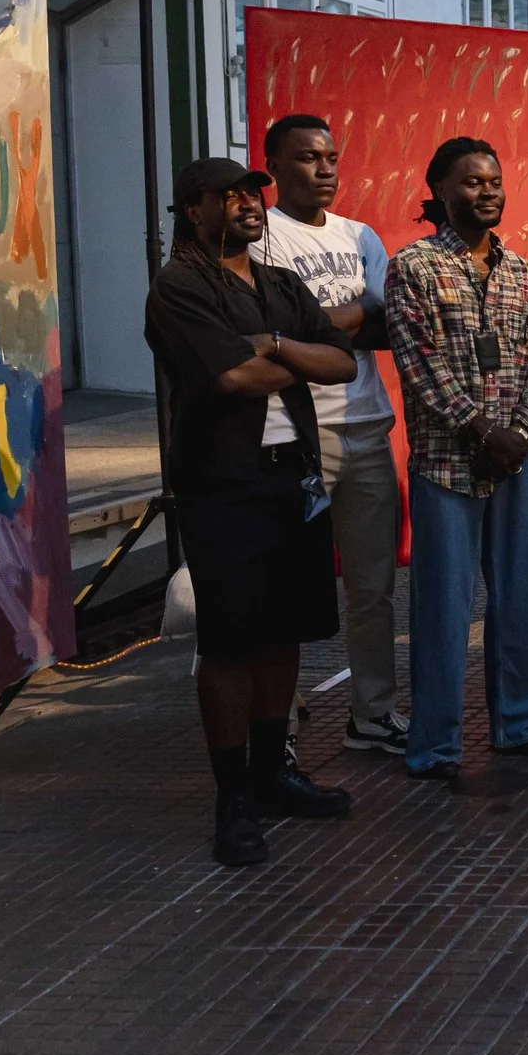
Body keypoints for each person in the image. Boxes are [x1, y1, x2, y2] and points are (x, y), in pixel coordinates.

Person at [143, 158, 358, 867]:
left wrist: (276, 346)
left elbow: (346, 361)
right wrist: (292, 355)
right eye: (229, 196)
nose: (247, 204)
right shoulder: (178, 289)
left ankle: (273, 773)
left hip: (292, 476)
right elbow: (233, 376)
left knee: (286, 627)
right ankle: (232, 795)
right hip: (222, 482)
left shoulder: (277, 283)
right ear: (192, 209)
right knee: (231, 639)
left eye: (252, 194)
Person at [384, 137, 528, 780]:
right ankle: (436, 743)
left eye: (493, 181)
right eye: (470, 182)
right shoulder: (413, 267)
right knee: (440, 610)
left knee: (524, 598)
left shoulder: (523, 274)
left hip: (516, 461)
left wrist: (520, 432)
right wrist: (483, 429)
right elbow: (419, 366)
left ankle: (527, 723)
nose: (485, 191)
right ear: (438, 190)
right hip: (446, 467)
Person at [258, 114, 407, 758]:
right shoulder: (261, 237)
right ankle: (278, 722)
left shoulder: (360, 234)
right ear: (273, 168)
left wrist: (306, 330)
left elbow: (383, 322)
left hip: (367, 427)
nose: (325, 170)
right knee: (286, 584)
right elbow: (265, 328)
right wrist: (324, 326)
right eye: (308, 158)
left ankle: (371, 713)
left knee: (373, 585)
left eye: (332, 158)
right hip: (293, 432)